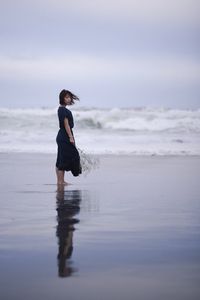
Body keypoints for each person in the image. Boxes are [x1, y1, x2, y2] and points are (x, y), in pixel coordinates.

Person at [55, 89, 82, 185]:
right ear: (62, 98)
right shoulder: (63, 110)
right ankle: (60, 181)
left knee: (60, 158)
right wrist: (71, 137)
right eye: (66, 97)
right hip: (64, 136)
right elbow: (66, 125)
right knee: (72, 156)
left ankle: (60, 181)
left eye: (69, 97)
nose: (69, 99)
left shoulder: (62, 109)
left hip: (62, 136)